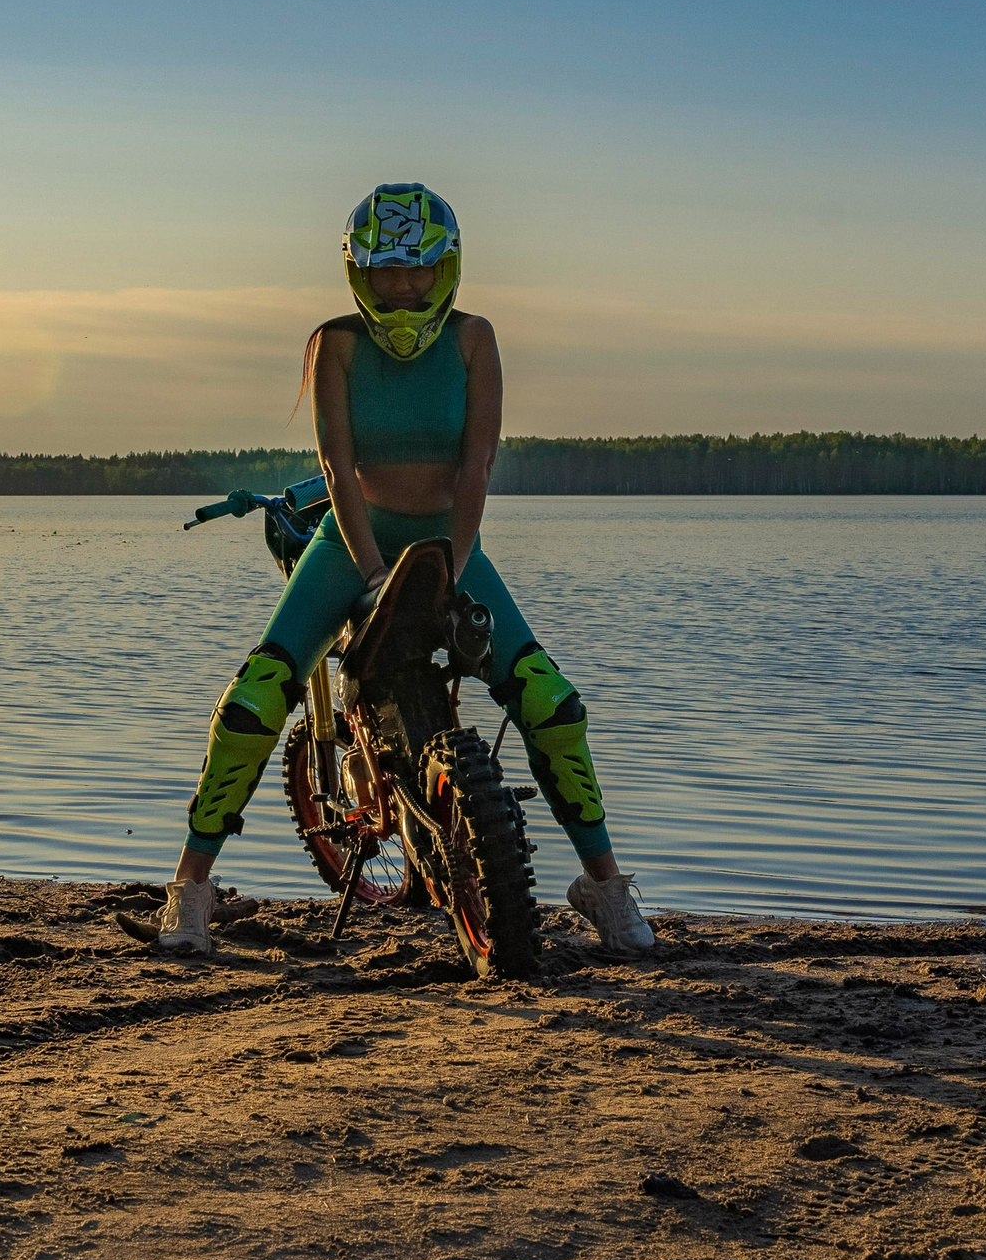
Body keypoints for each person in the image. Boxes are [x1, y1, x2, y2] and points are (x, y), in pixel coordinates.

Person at [155, 183, 655, 957]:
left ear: (446, 267)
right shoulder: (335, 343)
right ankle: (188, 891)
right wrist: (371, 574)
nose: (404, 286)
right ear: (359, 271)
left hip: (453, 541)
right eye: (386, 271)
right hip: (350, 543)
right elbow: (336, 463)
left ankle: (605, 887)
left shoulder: (474, 339)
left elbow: (478, 461)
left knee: (551, 703)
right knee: (255, 699)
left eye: (419, 270)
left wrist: (450, 568)